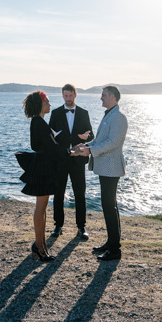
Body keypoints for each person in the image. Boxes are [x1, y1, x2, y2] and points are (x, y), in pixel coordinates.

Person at [71, 85, 127, 261]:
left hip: (111, 169)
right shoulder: (110, 115)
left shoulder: (118, 117)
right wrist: (85, 146)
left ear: (112, 97)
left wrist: (90, 152)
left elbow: (112, 143)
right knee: (109, 206)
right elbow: (100, 140)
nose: (101, 98)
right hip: (105, 168)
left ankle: (115, 249)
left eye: (103, 95)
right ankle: (111, 243)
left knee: (110, 207)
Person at [15, 90, 60, 261]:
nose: (49, 103)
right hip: (42, 168)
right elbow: (40, 146)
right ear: (40, 104)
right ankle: (38, 246)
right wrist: (66, 151)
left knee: (43, 208)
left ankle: (42, 244)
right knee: (40, 208)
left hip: (44, 166)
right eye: (47, 101)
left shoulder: (40, 121)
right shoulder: (38, 122)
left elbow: (46, 145)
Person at [48, 83, 93, 240]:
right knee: (58, 194)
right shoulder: (55, 113)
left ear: (75, 95)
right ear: (62, 96)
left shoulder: (83, 113)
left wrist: (86, 137)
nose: (68, 99)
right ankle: (58, 226)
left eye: (70, 96)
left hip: (78, 160)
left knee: (80, 194)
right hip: (60, 160)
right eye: (65, 96)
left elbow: (91, 135)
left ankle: (81, 227)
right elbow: (50, 137)